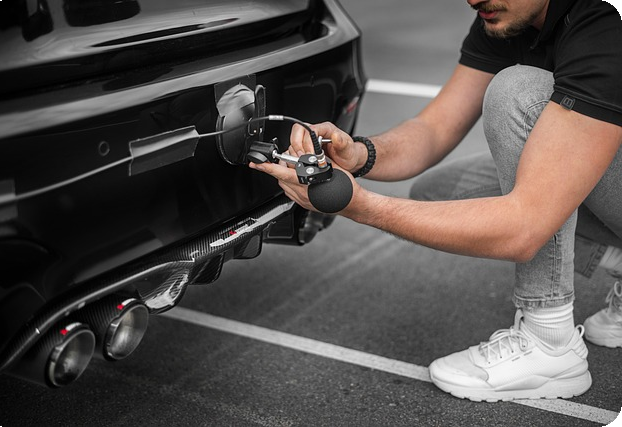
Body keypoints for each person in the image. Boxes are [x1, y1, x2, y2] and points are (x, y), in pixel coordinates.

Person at [250, 0, 622, 402]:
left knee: (519, 92)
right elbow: (433, 129)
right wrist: (357, 153)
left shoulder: (604, 21)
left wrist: (361, 206)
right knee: (443, 191)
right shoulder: (507, 15)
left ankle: (550, 343)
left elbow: (523, 229)